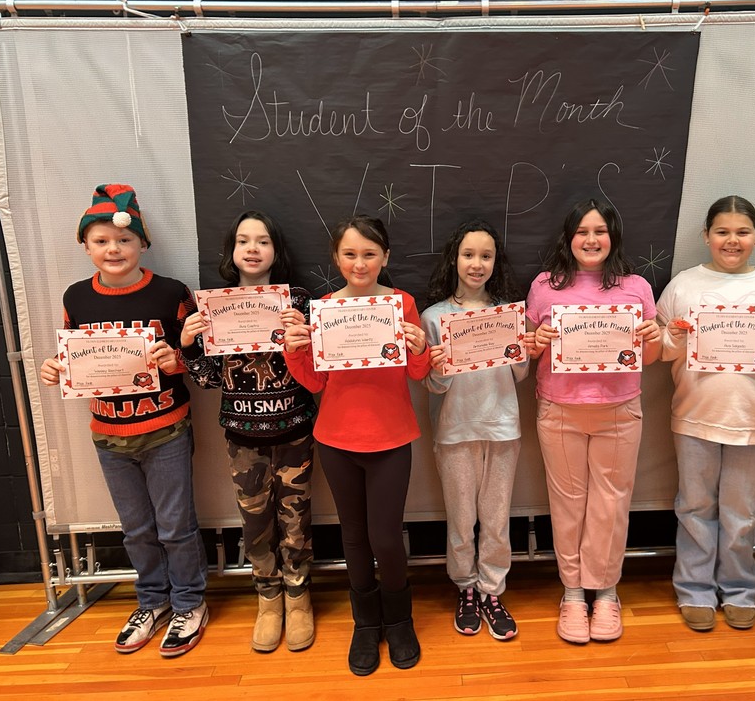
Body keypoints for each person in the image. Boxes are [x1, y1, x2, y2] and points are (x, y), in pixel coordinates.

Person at [39, 184, 207, 658]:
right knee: (136, 528)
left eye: (124, 240)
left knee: (176, 525)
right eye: (101, 241)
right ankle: (152, 601)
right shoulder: (76, 298)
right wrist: (55, 366)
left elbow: (199, 358)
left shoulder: (172, 293)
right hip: (108, 435)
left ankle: (190, 602)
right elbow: (78, 356)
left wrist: (177, 361)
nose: (114, 249)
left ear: (142, 243)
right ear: (86, 246)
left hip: (168, 428)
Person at [282, 215, 430, 675]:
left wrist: (420, 347)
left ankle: (399, 619)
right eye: (350, 253)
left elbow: (418, 374)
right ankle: (365, 623)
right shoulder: (323, 308)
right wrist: (294, 347)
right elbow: (312, 381)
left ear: (385, 257)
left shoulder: (402, 303)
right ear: (336, 258)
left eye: (369, 253)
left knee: (385, 537)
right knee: (353, 536)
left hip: (391, 438)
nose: (360, 262)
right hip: (337, 438)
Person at [655, 195, 755, 632]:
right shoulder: (683, 284)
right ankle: (694, 590)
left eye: (742, 232)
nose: (731, 240)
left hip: (754, 419)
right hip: (695, 414)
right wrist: (676, 338)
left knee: (743, 511)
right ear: (706, 236)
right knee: (695, 506)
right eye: (722, 231)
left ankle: (739, 589)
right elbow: (656, 345)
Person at [525, 197, 662, 644]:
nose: (591, 239)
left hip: (620, 411)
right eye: (582, 231)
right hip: (559, 410)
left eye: (600, 230)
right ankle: (571, 594)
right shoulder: (545, 286)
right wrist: (537, 341)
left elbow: (653, 357)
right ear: (569, 238)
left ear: (613, 236)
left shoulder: (636, 287)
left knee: (612, 502)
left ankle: (605, 591)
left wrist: (653, 337)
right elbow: (525, 351)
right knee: (567, 504)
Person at [180, 210, 317, 653]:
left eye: (262, 240)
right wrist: (189, 345)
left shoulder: (297, 300)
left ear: (276, 251)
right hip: (242, 435)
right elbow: (207, 380)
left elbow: (318, 369)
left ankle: (299, 596)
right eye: (244, 241)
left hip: (294, 429)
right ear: (232, 252)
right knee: (255, 520)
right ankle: (269, 597)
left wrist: (308, 337)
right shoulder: (215, 306)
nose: (253, 249)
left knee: (295, 517)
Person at [420, 219, 535, 641]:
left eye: (486, 256)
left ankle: (492, 589)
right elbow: (432, 385)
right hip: (454, 431)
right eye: (468, 254)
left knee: (496, 519)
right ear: (455, 258)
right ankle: (465, 588)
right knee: (462, 517)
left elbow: (519, 374)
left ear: (495, 262)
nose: (476, 264)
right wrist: (441, 366)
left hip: (503, 428)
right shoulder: (434, 317)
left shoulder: (508, 313)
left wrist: (525, 347)